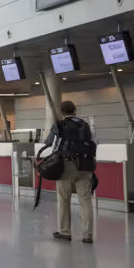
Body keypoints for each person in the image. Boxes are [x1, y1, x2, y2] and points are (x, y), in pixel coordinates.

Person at [43, 100, 97, 243]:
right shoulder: (85, 125)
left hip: (66, 167)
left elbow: (49, 143)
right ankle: (88, 234)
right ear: (75, 110)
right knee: (85, 201)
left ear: (61, 112)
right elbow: (94, 142)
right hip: (85, 166)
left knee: (64, 199)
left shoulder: (59, 125)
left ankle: (65, 232)